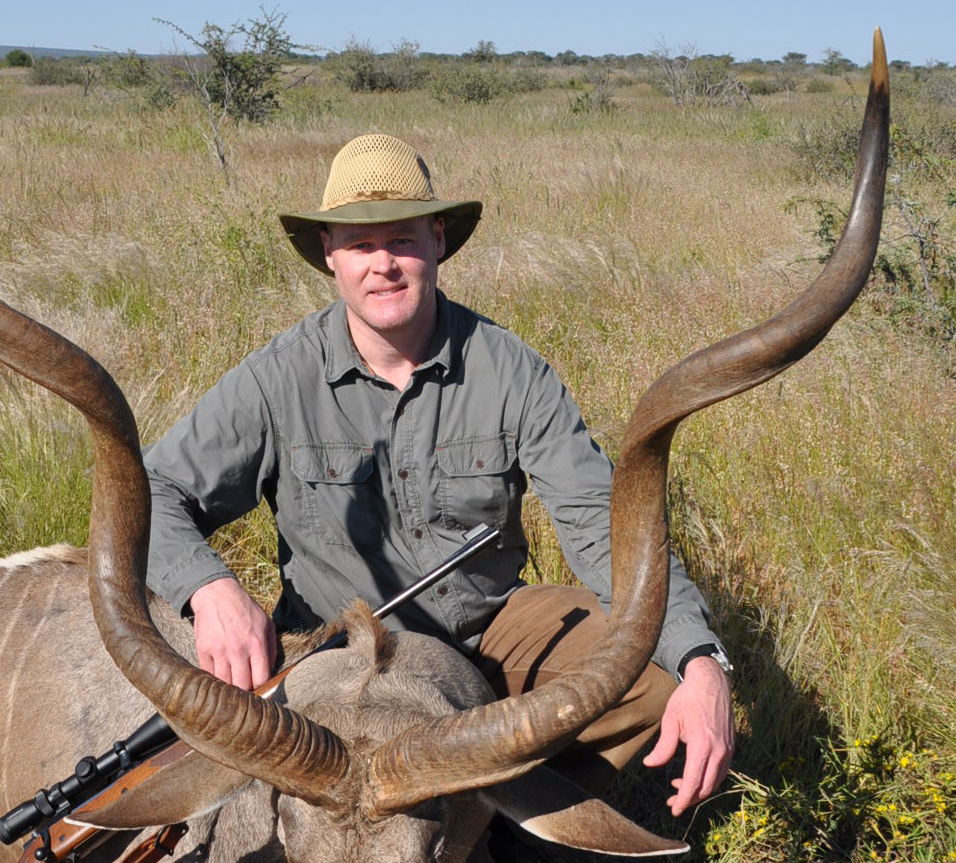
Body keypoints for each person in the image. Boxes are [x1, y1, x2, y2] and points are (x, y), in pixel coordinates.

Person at [144, 132, 734, 817]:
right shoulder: (278, 378)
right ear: (330, 256)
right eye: (361, 245)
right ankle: (459, 809)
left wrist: (701, 663)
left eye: (402, 240)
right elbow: (152, 490)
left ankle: (495, 826)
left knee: (651, 675)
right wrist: (212, 591)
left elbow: (606, 530)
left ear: (438, 240)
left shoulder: (513, 371)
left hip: (485, 641)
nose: (383, 265)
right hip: (338, 661)